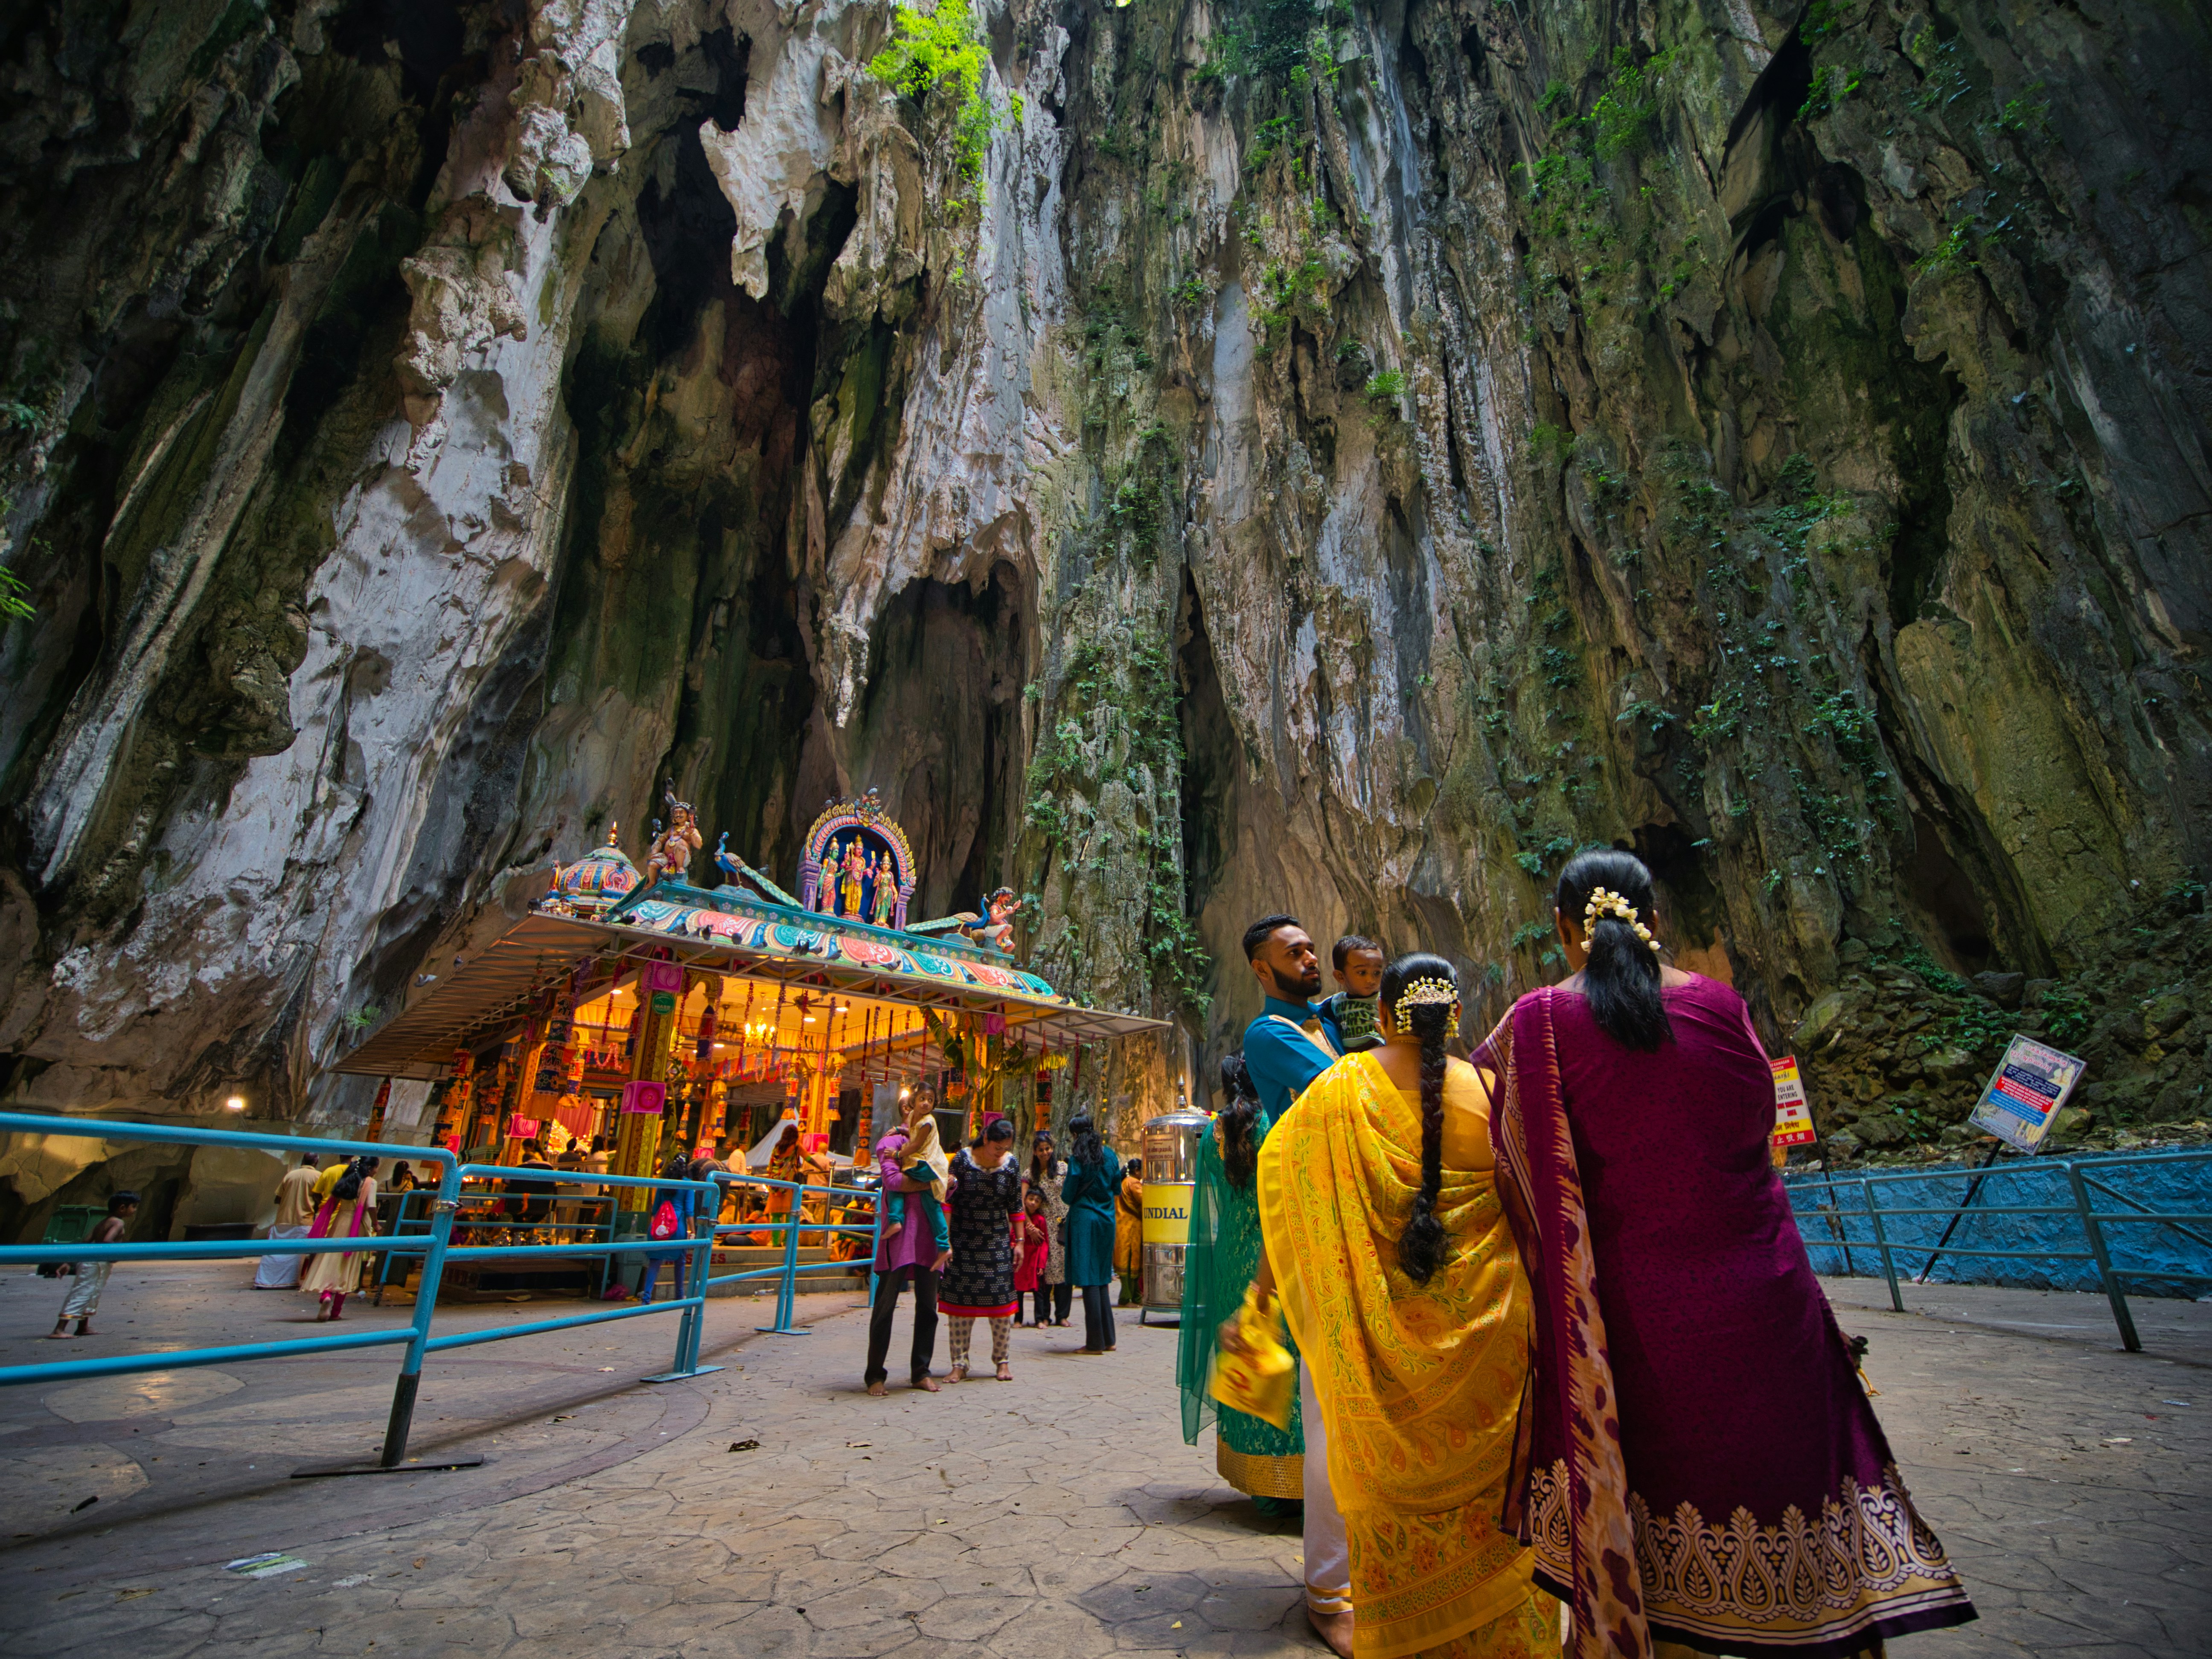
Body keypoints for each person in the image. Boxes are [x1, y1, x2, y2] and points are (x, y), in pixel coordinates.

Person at [1484, 851, 1978, 1657]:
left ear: (1564, 930)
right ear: (1655, 920)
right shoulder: (1722, 1004)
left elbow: (1508, 1162)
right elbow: (1759, 1142)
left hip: (1637, 1322)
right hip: (1765, 1300)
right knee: (1785, 1488)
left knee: (1660, 1539)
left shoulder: (1537, 1023)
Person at [1231, 953, 1555, 1658]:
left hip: (1368, 1337)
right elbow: (1539, 1223)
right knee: (1487, 1500)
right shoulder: (1500, 1094)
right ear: (1458, 1017)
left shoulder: (1337, 1090)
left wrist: (1259, 1297)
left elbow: (1287, 1203)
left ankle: (1387, 1621)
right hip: (1488, 1348)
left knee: (1363, 1477)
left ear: (1380, 1015)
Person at [1236, 913, 1352, 1642]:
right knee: (1326, 1412)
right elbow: (1346, 1088)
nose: (1310, 957)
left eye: (1312, 947)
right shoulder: (1269, 1035)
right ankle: (1327, 1589)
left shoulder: (1331, 1023)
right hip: (1313, 1226)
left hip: (1355, 1214)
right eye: (1293, 951)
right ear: (1260, 967)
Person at [1177, 1056, 1306, 1516]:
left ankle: (1261, 1487)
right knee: (1280, 1355)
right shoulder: (1277, 1126)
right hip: (1271, 1256)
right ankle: (1293, 1474)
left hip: (1231, 1256)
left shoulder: (1214, 1136)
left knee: (1244, 1352)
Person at [864, 1091, 951, 1395]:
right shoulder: (890, 1143)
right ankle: (875, 1375)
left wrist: (943, 1183)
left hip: (928, 1238)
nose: (920, 1108)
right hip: (900, 1238)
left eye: (929, 1102)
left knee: (929, 1307)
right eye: (916, 1102)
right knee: (885, 1307)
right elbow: (892, 1181)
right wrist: (931, 1182)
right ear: (907, 1108)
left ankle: (921, 1371)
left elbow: (946, 1187)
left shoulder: (931, 1145)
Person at [942, 1119, 1024, 1382]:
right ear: (986, 1139)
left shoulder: (1011, 1165)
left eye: (1006, 1148)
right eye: (998, 1147)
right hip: (964, 1240)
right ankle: (959, 1363)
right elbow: (948, 1202)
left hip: (997, 1242)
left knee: (1001, 1304)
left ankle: (1002, 1361)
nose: (1001, 1153)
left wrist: (1019, 1242)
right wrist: (946, 1241)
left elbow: (1016, 1205)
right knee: (959, 1306)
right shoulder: (962, 1161)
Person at [1061, 1113, 1121, 1353]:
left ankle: (1095, 1343)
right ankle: (1109, 1339)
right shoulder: (1111, 1155)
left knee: (1088, 1280)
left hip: (1084, 1220)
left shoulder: (1077, 1159)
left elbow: (1067, 1195)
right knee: (1102, 1278)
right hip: (1107, 1220)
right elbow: (1116, 1188)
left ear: (1075, 1135)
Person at [49, 1191, 137, 1339]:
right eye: (133, 1207)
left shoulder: (103, 1222)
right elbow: (107, 1242)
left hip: (91, 1261)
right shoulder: (118, 1222)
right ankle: (59, 1330)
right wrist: (117, 1253)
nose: (134, 1211)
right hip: (97, 1263)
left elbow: (85, 1242)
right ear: (123, 1208)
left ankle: (83, 1327)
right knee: (83, 1293)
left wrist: (69, 1263)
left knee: (91, 1293)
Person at [301, 1157, 380, 1321]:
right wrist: (376, 1224)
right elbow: (370, 1206)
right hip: (357, 1226)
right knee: (348, 1267)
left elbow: (332, 1202)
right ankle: (336, 1312)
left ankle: (326, 1296)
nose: (376, 1171)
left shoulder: (348, 1179)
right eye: (376, 1168)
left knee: (331, 1261)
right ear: (371, 1168)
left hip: (340, 1222)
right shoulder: (370, 1183)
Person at [254, 1153, 320, 1289]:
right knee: (295, 1255)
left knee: (273, 1252)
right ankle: (288, 1282)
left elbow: (278, 1199)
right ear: (316, 1162)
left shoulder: (290, 1175)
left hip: (282, 1220)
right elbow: (320, 1200)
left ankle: (265, 1281)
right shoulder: (318, 1177)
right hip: (303, 1220)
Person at [1030, 1130, 1072, 1327]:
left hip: (1063, 1224)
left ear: (1053, 1149)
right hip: (1042, 1227)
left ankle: (1063, 1315)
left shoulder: (1064, 1168)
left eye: (1048, 1149)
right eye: (1041, 1150)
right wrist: (1029, 1226)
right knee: (1044, 1271)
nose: (1045, 1152)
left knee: (1065, 1270)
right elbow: (1023, 1201)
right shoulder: (1031, 1174)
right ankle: (1043, 1316)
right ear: (1035, 1152)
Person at [1320, 935, 1385, 1053]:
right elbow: (1311, 1013)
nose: (1371, 980)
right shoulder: (1335, 1003)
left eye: (1377, 973)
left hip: (1380, 1056)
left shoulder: (1385, 1000)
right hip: (1350, 1061)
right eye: (1362, 973)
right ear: (1341, 977)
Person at [1013, 1185, 1050, 1324]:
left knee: (1039, 1292)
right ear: (1025, 1200)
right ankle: (1018, 1319)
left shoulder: (1040, 1220)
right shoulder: (1019, 1219)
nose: (1033, 1203)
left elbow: (1044, 1243)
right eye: (1031, 1199)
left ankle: (1039, 1319)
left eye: (1037, 1201)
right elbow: (1013, 1236)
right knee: (1018, 1291)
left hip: (1035, 1259)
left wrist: (1042, 1264)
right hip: (1022, 1259)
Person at [1115, 1154, 1146, 1305]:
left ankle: (1135, 1297)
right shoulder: (1133, 1183)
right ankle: (1126, 1298)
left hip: (1122, 1226)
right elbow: (1146, 1199)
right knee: (1130, 1263)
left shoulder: (1123, 1182)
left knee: (1127, 1262)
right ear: (1137, 1171)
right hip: (1131, 1227)